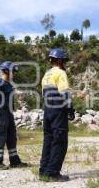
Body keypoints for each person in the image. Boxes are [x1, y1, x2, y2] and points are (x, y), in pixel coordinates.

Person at [39, 48, 75, 182]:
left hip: (48, 110)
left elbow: (44, 94)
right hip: (58, 110)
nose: (65, 63)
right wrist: (70, 108)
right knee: (59, 141)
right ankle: (53, 173)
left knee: (48, 140)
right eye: (64, 61)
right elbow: (64, 93)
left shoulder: (46, 75)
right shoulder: (60, 73)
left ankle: (43, 171)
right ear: (59, 60)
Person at [0, 61, 28, 170]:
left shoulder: (9, 85)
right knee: (0, 137)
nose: (14, 74)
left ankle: (14, 161)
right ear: (6, 71)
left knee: (12, 137)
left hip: (9, 113)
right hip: (0, 113)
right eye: (12, 72)